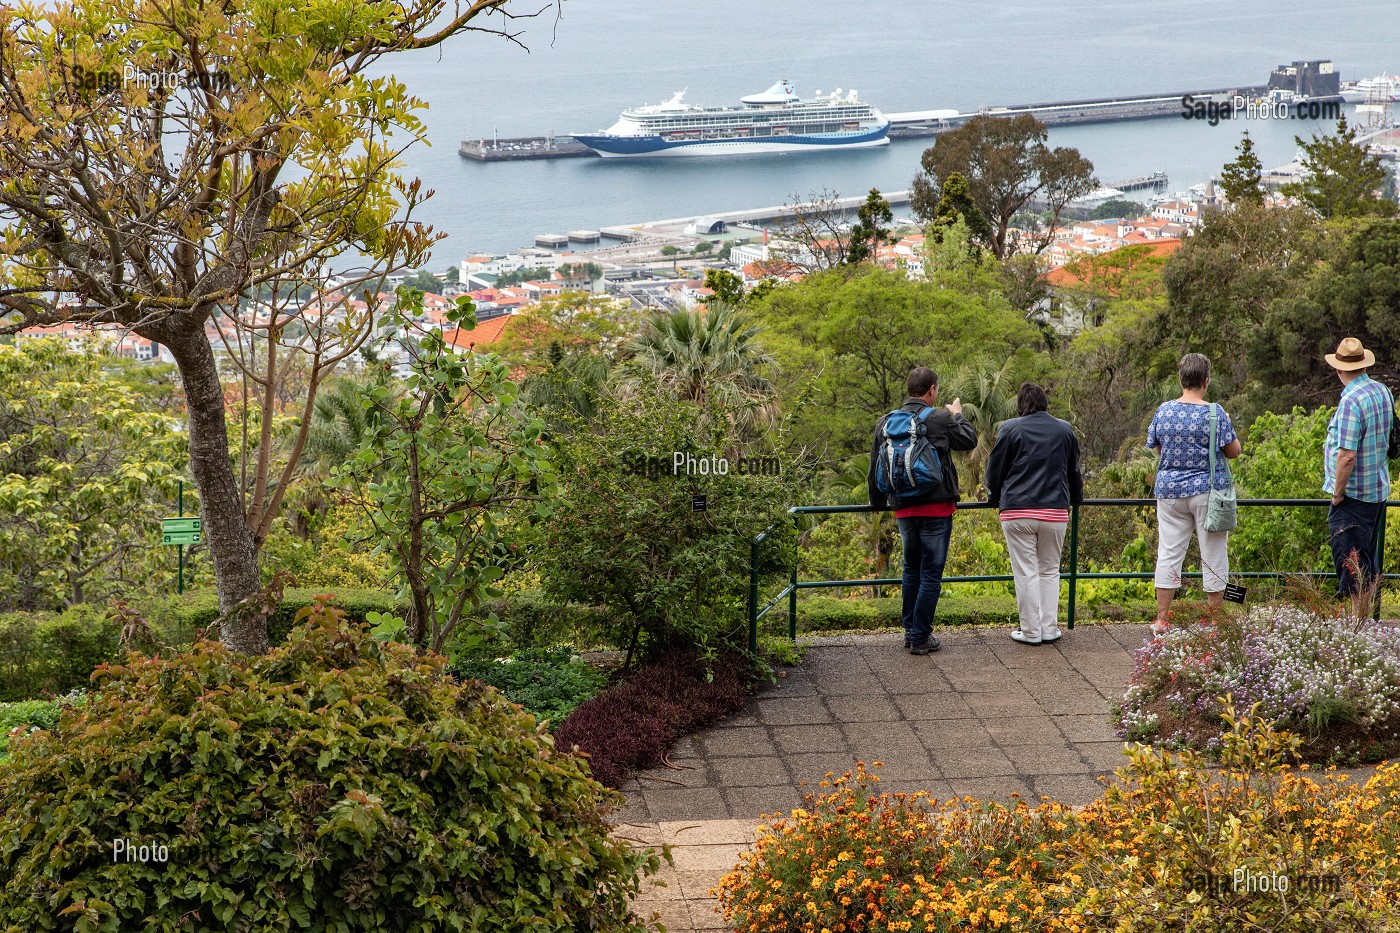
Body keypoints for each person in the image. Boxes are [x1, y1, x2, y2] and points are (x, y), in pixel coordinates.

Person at [868, 366, 977, 654]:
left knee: (911, 572)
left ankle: (910, 632)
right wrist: (956, 413)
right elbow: (969, 440)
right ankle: (919, 637)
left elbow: (874, 467)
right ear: (932, 390)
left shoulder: (886, 422)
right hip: (936, 507)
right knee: (930, 574)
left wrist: (879, 505)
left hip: (903, 508)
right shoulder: (939, 418)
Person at [1146, 353, 1242, 635]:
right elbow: (1234, 451)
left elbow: (1158, 447)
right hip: (1206, 492)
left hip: (1169, 492)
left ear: (1181, 379)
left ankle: (1162, 619)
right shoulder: (1215, 413)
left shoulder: (1164, 410)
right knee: (1213, 554)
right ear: (1206, 381)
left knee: (1169, 552)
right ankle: (1215, 622)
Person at [985, 383, 1083, 645]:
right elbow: (1074, 470)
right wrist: (1076, 499)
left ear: (1020, 405)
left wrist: (994, 498)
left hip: (1017, 510)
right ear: (1045, 404)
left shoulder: (1010, 428)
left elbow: (995, 470)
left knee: (1026, 572)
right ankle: (1049, 629)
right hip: (1055, 510)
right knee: (1050, 571)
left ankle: (1030, 632)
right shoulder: (1064, 429)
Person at [1322, 337, 1394, 619]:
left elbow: (1347, 456)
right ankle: (1363, 625)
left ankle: (1358, 628)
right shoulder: (1382, 391)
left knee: (1353, 566)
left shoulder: (1351, 401)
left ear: (1339, 370)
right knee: (1366, 562)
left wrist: (1338, 493)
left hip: (1353, 496)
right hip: (1376, 488)